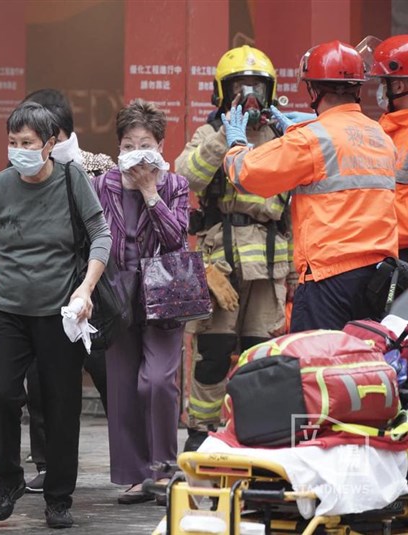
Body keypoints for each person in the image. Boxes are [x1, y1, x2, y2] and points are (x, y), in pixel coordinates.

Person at [0, 101, 111, 529]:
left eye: (28, 143)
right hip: (8, 310)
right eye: (13, 142)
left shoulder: (72, 180)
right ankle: (9, 479)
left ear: (51, 144)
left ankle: (58, 496)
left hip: (60, 312)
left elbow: (100, 234)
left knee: (61, 405)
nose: (18, 150)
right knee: (1, 395)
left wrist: (86, 287)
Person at [225, 40, 397, 333]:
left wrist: (237, 143)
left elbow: (247, 174)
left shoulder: (310, 139)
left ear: (313, 91)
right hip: (379, 281)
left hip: (328, 280)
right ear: (358, 88)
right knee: (365, 366)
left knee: (318, 368)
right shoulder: (381, 136)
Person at [174, 45, 294, 452]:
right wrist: (228, 133)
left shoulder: (283, 137)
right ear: (222, 92)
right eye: (240, 88)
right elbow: (186, 175)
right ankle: (200, 433)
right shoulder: (210, 133)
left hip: (270, 263)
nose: (250, 97)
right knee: (213, 350)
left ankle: (253, 430)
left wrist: (294, 274)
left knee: (258, 354)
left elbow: (295, 204)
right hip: (220, 261)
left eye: (257, 88)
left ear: (271, 90)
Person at [92, 100, 189, 504]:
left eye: (145, 143)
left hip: (164, 291)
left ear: (161, 145)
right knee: (123, 386)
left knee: (158, 381)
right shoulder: (103, 185)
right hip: (117, 293)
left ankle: (165, 469)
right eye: (129, 143)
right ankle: (136, 475)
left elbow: (175, 238)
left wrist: (150, 191)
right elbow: (96, 237)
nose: (137, 151)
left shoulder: (175, 186)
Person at [19, 88, 115, 494]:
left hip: (95, 290)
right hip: (44, 291)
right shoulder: (23, 173)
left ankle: (133, 460)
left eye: (37, 134)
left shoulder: (99, 167)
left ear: (55, 133)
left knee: (111, 376)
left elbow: (109, 230)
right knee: (40, 382)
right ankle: (45, 463)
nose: (26, 143)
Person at [372, 35, 408, 262]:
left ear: (398, 85)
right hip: (386, 250)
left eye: (382, 82)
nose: (380, 90)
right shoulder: (387, 129)